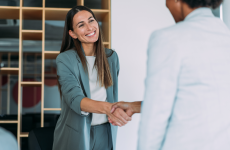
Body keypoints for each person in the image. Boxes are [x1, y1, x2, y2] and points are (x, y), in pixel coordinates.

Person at [110, 0, 230, 150]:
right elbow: (199, 98)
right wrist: (133, 106)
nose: (166, 5)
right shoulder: (225, 35)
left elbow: (156, 114)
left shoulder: (168, 38)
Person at [52, 6, 131, 150]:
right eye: (81, 25)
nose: (89, 28)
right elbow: (75, 99)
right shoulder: (65, 59)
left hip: (106, 131)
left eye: (91, 21)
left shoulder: (111, 58)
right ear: (73, 33)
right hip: (76, 132)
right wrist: (110, 109)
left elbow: (111, 93)